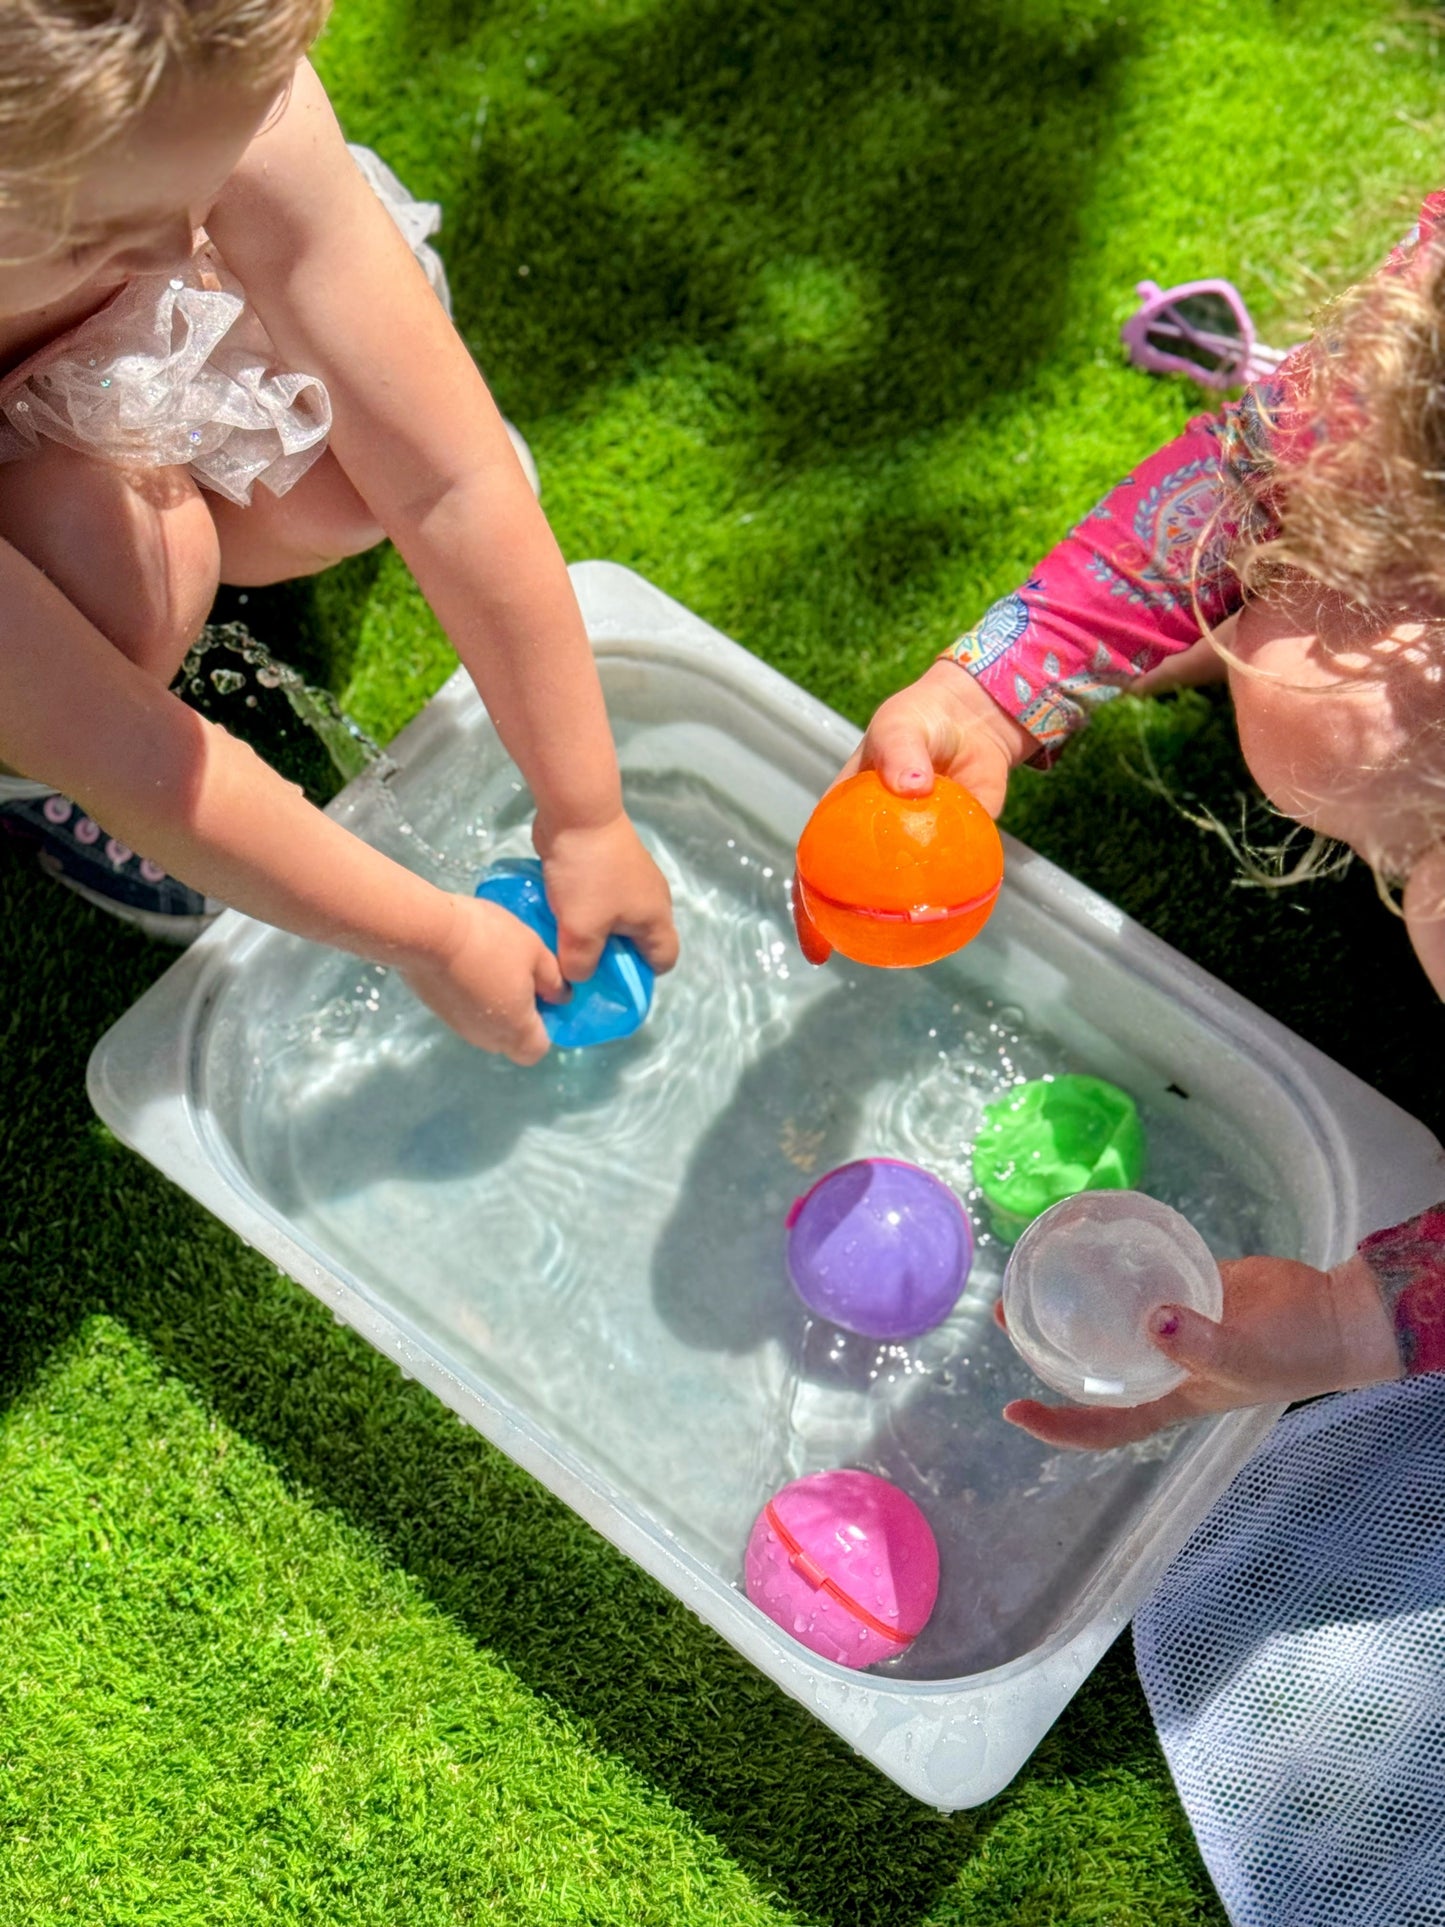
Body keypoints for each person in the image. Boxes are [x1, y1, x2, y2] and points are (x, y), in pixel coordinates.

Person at [842, 195, 1445, 1447]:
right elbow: (1244, 477)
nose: (1392, 876)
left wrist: (1358, 1318)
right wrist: (1007, 679)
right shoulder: (1411, 353)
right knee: (1283, 632)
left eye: (1406, 853)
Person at [0, 0, 677, 1064]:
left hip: (65, 312)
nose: (185, 244)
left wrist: (584, 811)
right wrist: (433, 935)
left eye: (202, 183)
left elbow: (449, 482)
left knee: (365, 464)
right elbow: (134, 751)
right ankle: (26, 773)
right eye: (96, 228)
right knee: (133, 591)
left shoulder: (190, 74)